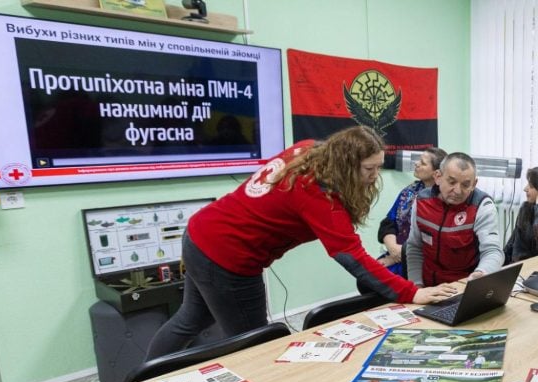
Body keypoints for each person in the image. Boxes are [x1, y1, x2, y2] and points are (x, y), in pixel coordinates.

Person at [145, 126, 457, 359]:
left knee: (191, 318)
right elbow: (352, 256)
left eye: (378, 167)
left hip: (201, 231)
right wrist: (412, 292)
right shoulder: (319, 196)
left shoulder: (310, 150)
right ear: (347, 163)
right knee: (257, 344)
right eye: (369, 169)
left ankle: (143, 378)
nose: (375, 177)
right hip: (227, 258)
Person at [405, 152, 504, 285]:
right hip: (428, 287)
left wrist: (481, 274)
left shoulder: (482, 205)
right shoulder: (422, 201)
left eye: (465, 185)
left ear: (474, 184)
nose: (457, 191)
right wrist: (417, 286)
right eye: (451, 182)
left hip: (464, 287)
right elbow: (414, 247)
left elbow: (493, 251)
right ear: (438, 177)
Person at [375, 147, 447, 277]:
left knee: (377, 280)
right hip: (397, 252)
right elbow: (388, 223)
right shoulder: (410, 191)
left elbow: (431, 240)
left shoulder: (443, 199)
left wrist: (398, 255)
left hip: (421, 259)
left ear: (436, 173)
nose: (416, 163)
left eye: (423, 163)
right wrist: (392, 249)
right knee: (367, 277)